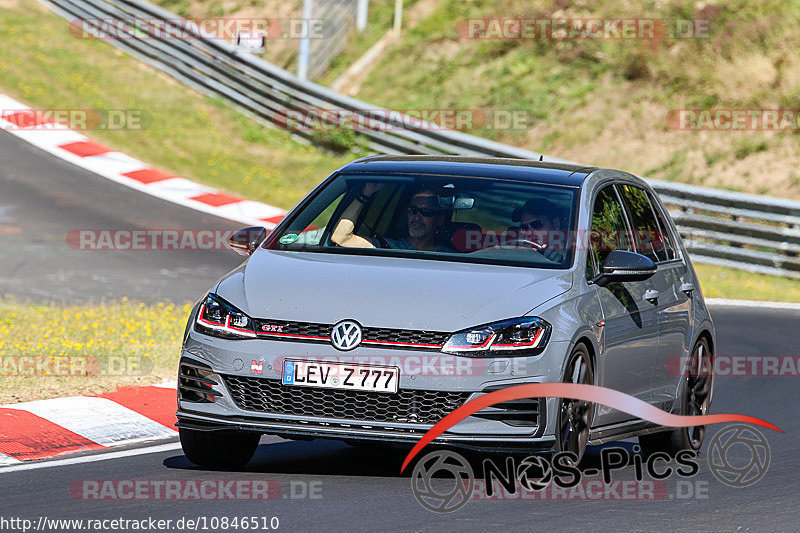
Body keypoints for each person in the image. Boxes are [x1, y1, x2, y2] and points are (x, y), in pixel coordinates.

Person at [331, 183, 453, 252]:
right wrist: (366, 192)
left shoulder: (449, 256)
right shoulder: (388, 246)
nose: (417, 217)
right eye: (413, 210)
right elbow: (341, 238)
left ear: (440, 220)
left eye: (426, 212)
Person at [509, 198, 567, 263]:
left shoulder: (572, 258)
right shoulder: (516, 255)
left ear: (556, 224)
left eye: (536, 225)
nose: (529, 232)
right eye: (524, 227)